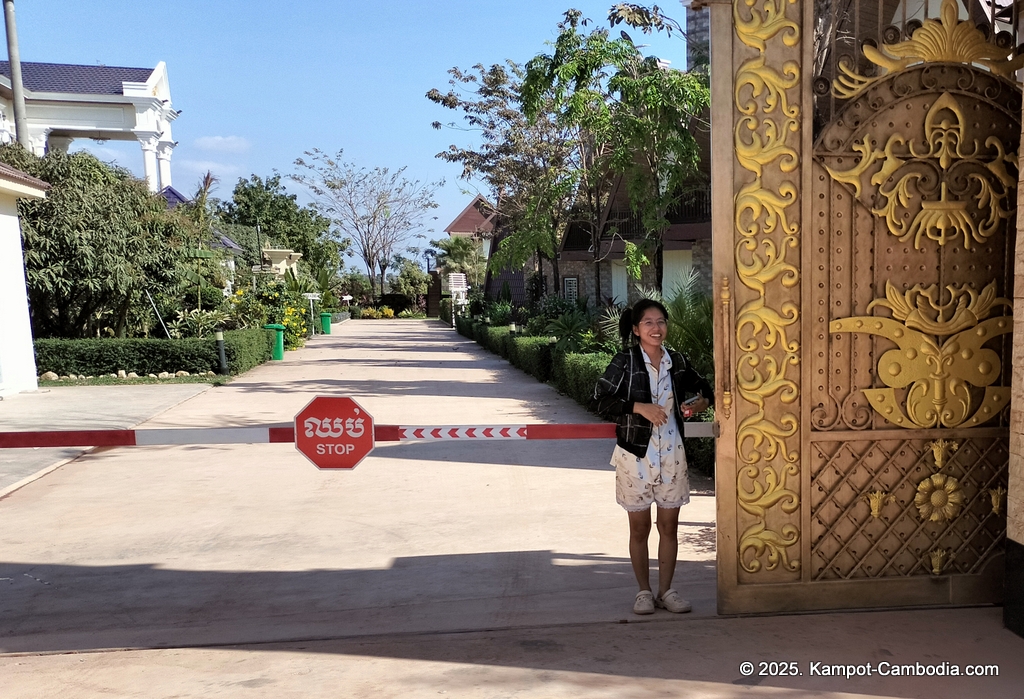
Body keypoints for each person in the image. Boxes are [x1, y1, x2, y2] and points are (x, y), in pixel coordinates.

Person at [591, 299, 712, 615]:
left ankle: (666, 591)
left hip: (672, 456)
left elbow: (704, 392)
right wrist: (638, 407)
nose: (656, 328)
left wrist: (698, 405)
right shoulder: (626, 362)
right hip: (635, 456)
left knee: (669, 527)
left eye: (661, 321)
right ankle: (643, 592)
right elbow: (601, 399)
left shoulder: (678, 361)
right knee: (640, 529)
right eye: (648, 323)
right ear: (636, 329)